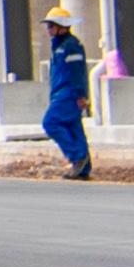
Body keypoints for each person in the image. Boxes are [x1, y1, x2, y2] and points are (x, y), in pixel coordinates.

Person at [43, 16, 92, 178]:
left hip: (68, 93)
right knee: (72, 126)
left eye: (51, 26)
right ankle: (83, 169)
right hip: (61, 92)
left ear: (61, 27)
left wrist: (80, 94)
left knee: (51, 123)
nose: (48, 30)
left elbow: (77, 72)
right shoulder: (60, 46)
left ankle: (77, 156)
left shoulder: (70, 46)